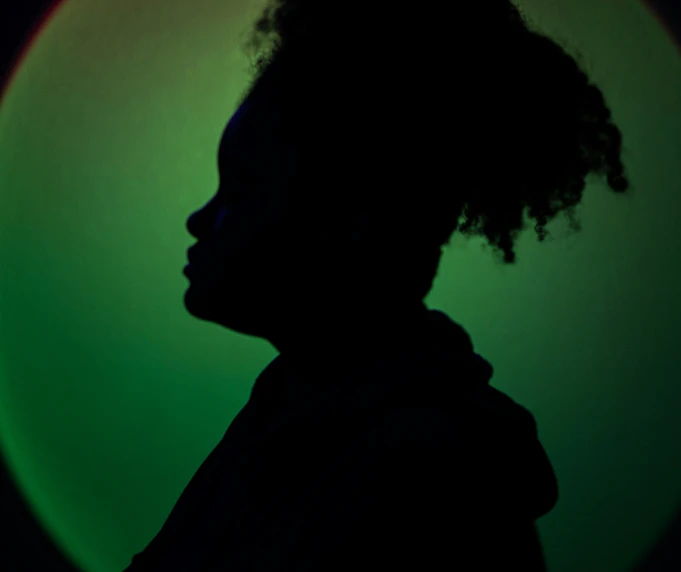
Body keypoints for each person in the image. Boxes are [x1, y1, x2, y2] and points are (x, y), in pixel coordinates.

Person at [124, 0, 630, 569]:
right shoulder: (292, 410)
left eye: (240, 187)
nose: (199, 219)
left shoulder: (430, 487)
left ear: (351, 218)